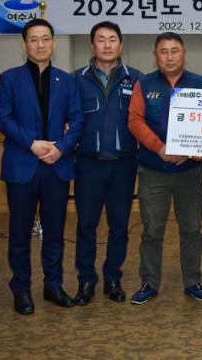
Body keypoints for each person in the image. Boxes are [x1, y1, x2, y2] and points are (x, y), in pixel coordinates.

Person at [0, 18, 83, 314]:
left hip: (57, 166)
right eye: (34, 39)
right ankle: (21, 289)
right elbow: (3, 119)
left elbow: (78, 120)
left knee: (55, 232)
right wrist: (32, 143)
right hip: (22, 164)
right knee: (19, 233)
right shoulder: (9, 79)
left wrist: (61, 148)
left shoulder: (67, 81)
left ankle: (53, 286)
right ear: (24, 45)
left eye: (45, 39)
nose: (40, 44)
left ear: (53, 43)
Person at [127, 32, 202, 304]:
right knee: (152, 230)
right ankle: (149, 283)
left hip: (189, 171)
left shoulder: (200, 83)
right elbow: (135, 120)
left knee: (191, 228)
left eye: (175, 51)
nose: (170, 57)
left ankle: (193, 282)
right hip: (153, 170)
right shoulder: (144, 83)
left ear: (183, 53)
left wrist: (197, 148)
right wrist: (160, 148)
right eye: (164, 52)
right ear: (155, 56)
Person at [73, 21, 140, 305]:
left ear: (120, 45)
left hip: (124, 164)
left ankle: (113, 277)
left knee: (119, 225)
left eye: (112, 39)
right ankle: (86, 280)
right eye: (101, 40)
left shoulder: (136, 79)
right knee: (86, 225)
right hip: (88, 164)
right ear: (92, 46)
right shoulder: (76, 79)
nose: (107, 45)